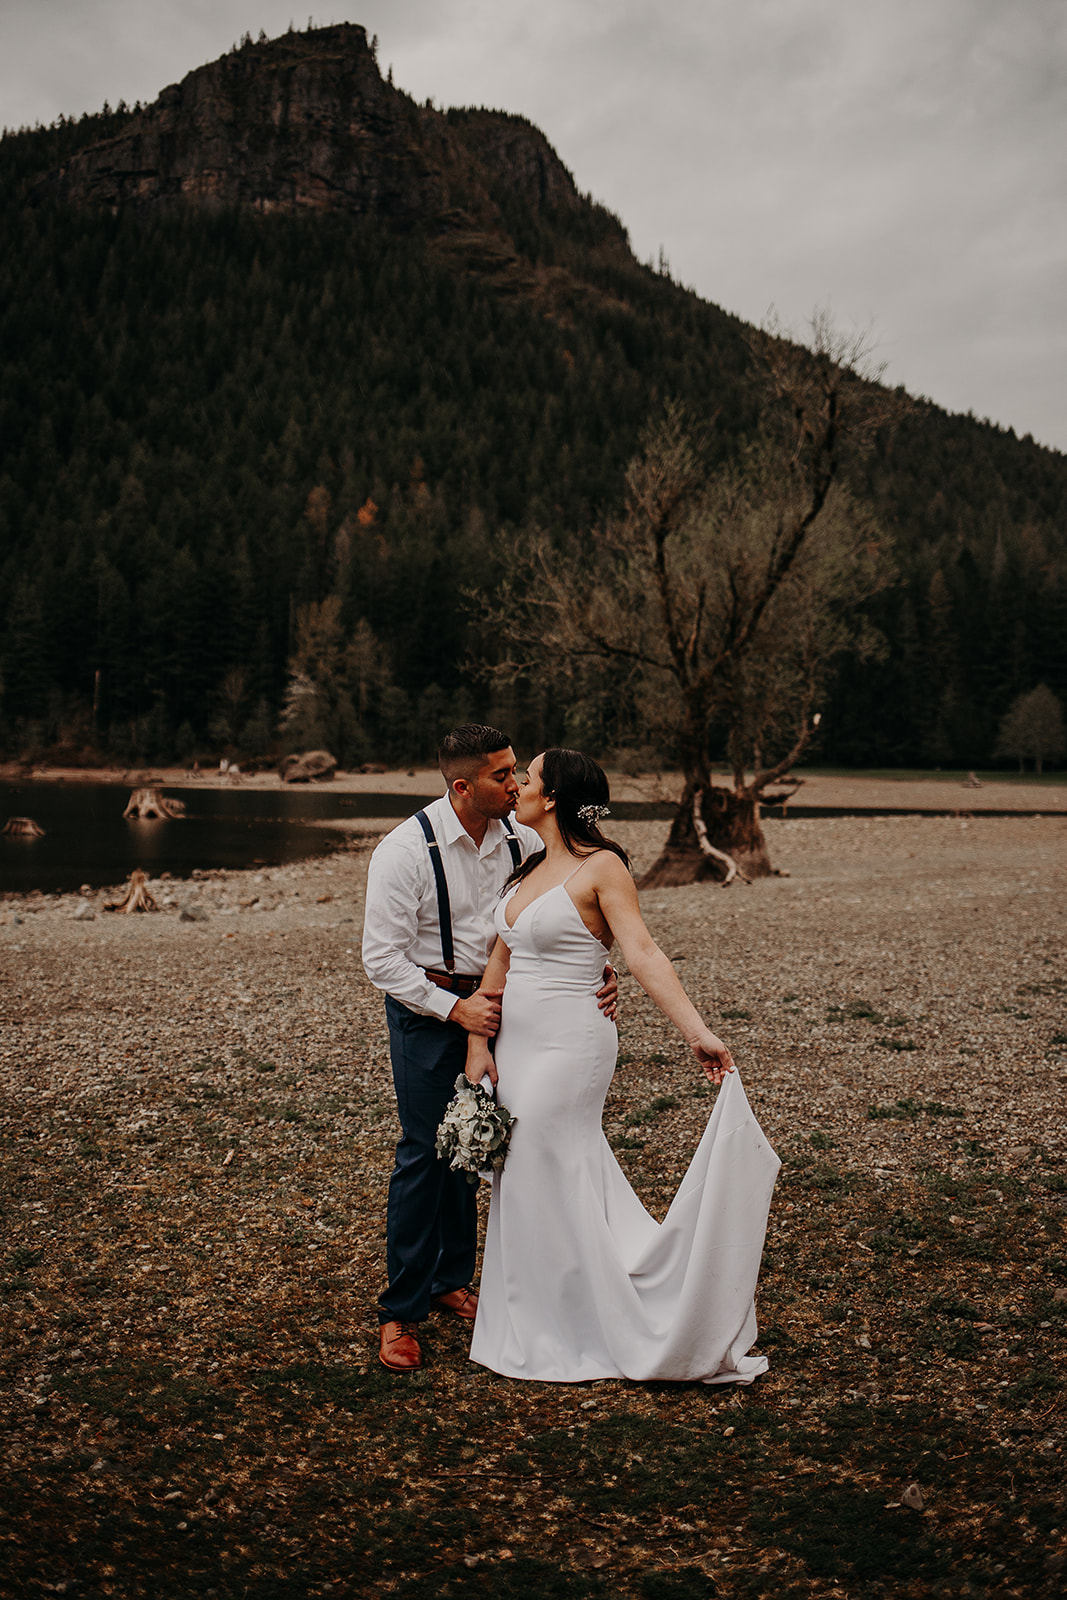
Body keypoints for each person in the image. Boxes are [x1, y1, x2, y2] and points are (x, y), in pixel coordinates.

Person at [464, 748, 780, 1384]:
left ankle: (587, 1323)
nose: (518, 784)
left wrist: (697, 1031)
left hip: (571, 1043)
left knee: (547, 1161)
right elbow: (501, 958)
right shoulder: (526, 867)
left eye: (527, 777)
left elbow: (641, 951)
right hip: (516, 1044)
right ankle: (536, 1319)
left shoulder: (602, 867)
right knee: (520, 1172)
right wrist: (479, 1045)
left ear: (551, 798)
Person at [362, 725, 618, 1372]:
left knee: (480, 1143)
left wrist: (597, 968)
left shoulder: (523, 837)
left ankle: (452, 1279)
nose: (517, 785)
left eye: (516, 772)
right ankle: (401, 1310)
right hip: (429, 1010)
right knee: (426, 1150)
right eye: (503, 776)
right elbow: (381, 961)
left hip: (512, 1007)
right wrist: (456, 1007)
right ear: (462, 786)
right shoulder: (403, 851)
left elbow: (557, 910)